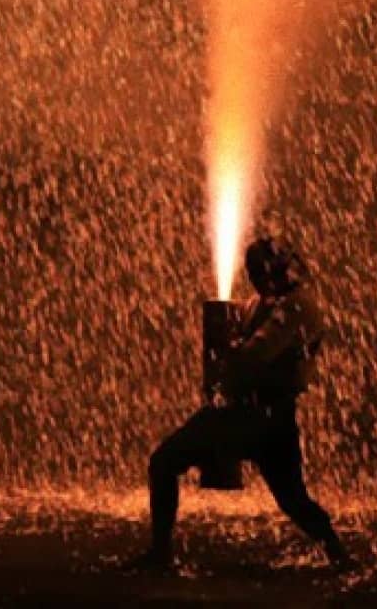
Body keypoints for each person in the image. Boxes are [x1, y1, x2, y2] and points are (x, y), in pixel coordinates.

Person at [131, 238, 354, 570]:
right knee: (291, 498)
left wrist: (228, 349)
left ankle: (161, 555)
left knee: (167, 463)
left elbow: (255, 355)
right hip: (255, 414)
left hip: (258, 416)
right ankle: (338, 555)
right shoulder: (265, 304)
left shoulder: (296, 306)